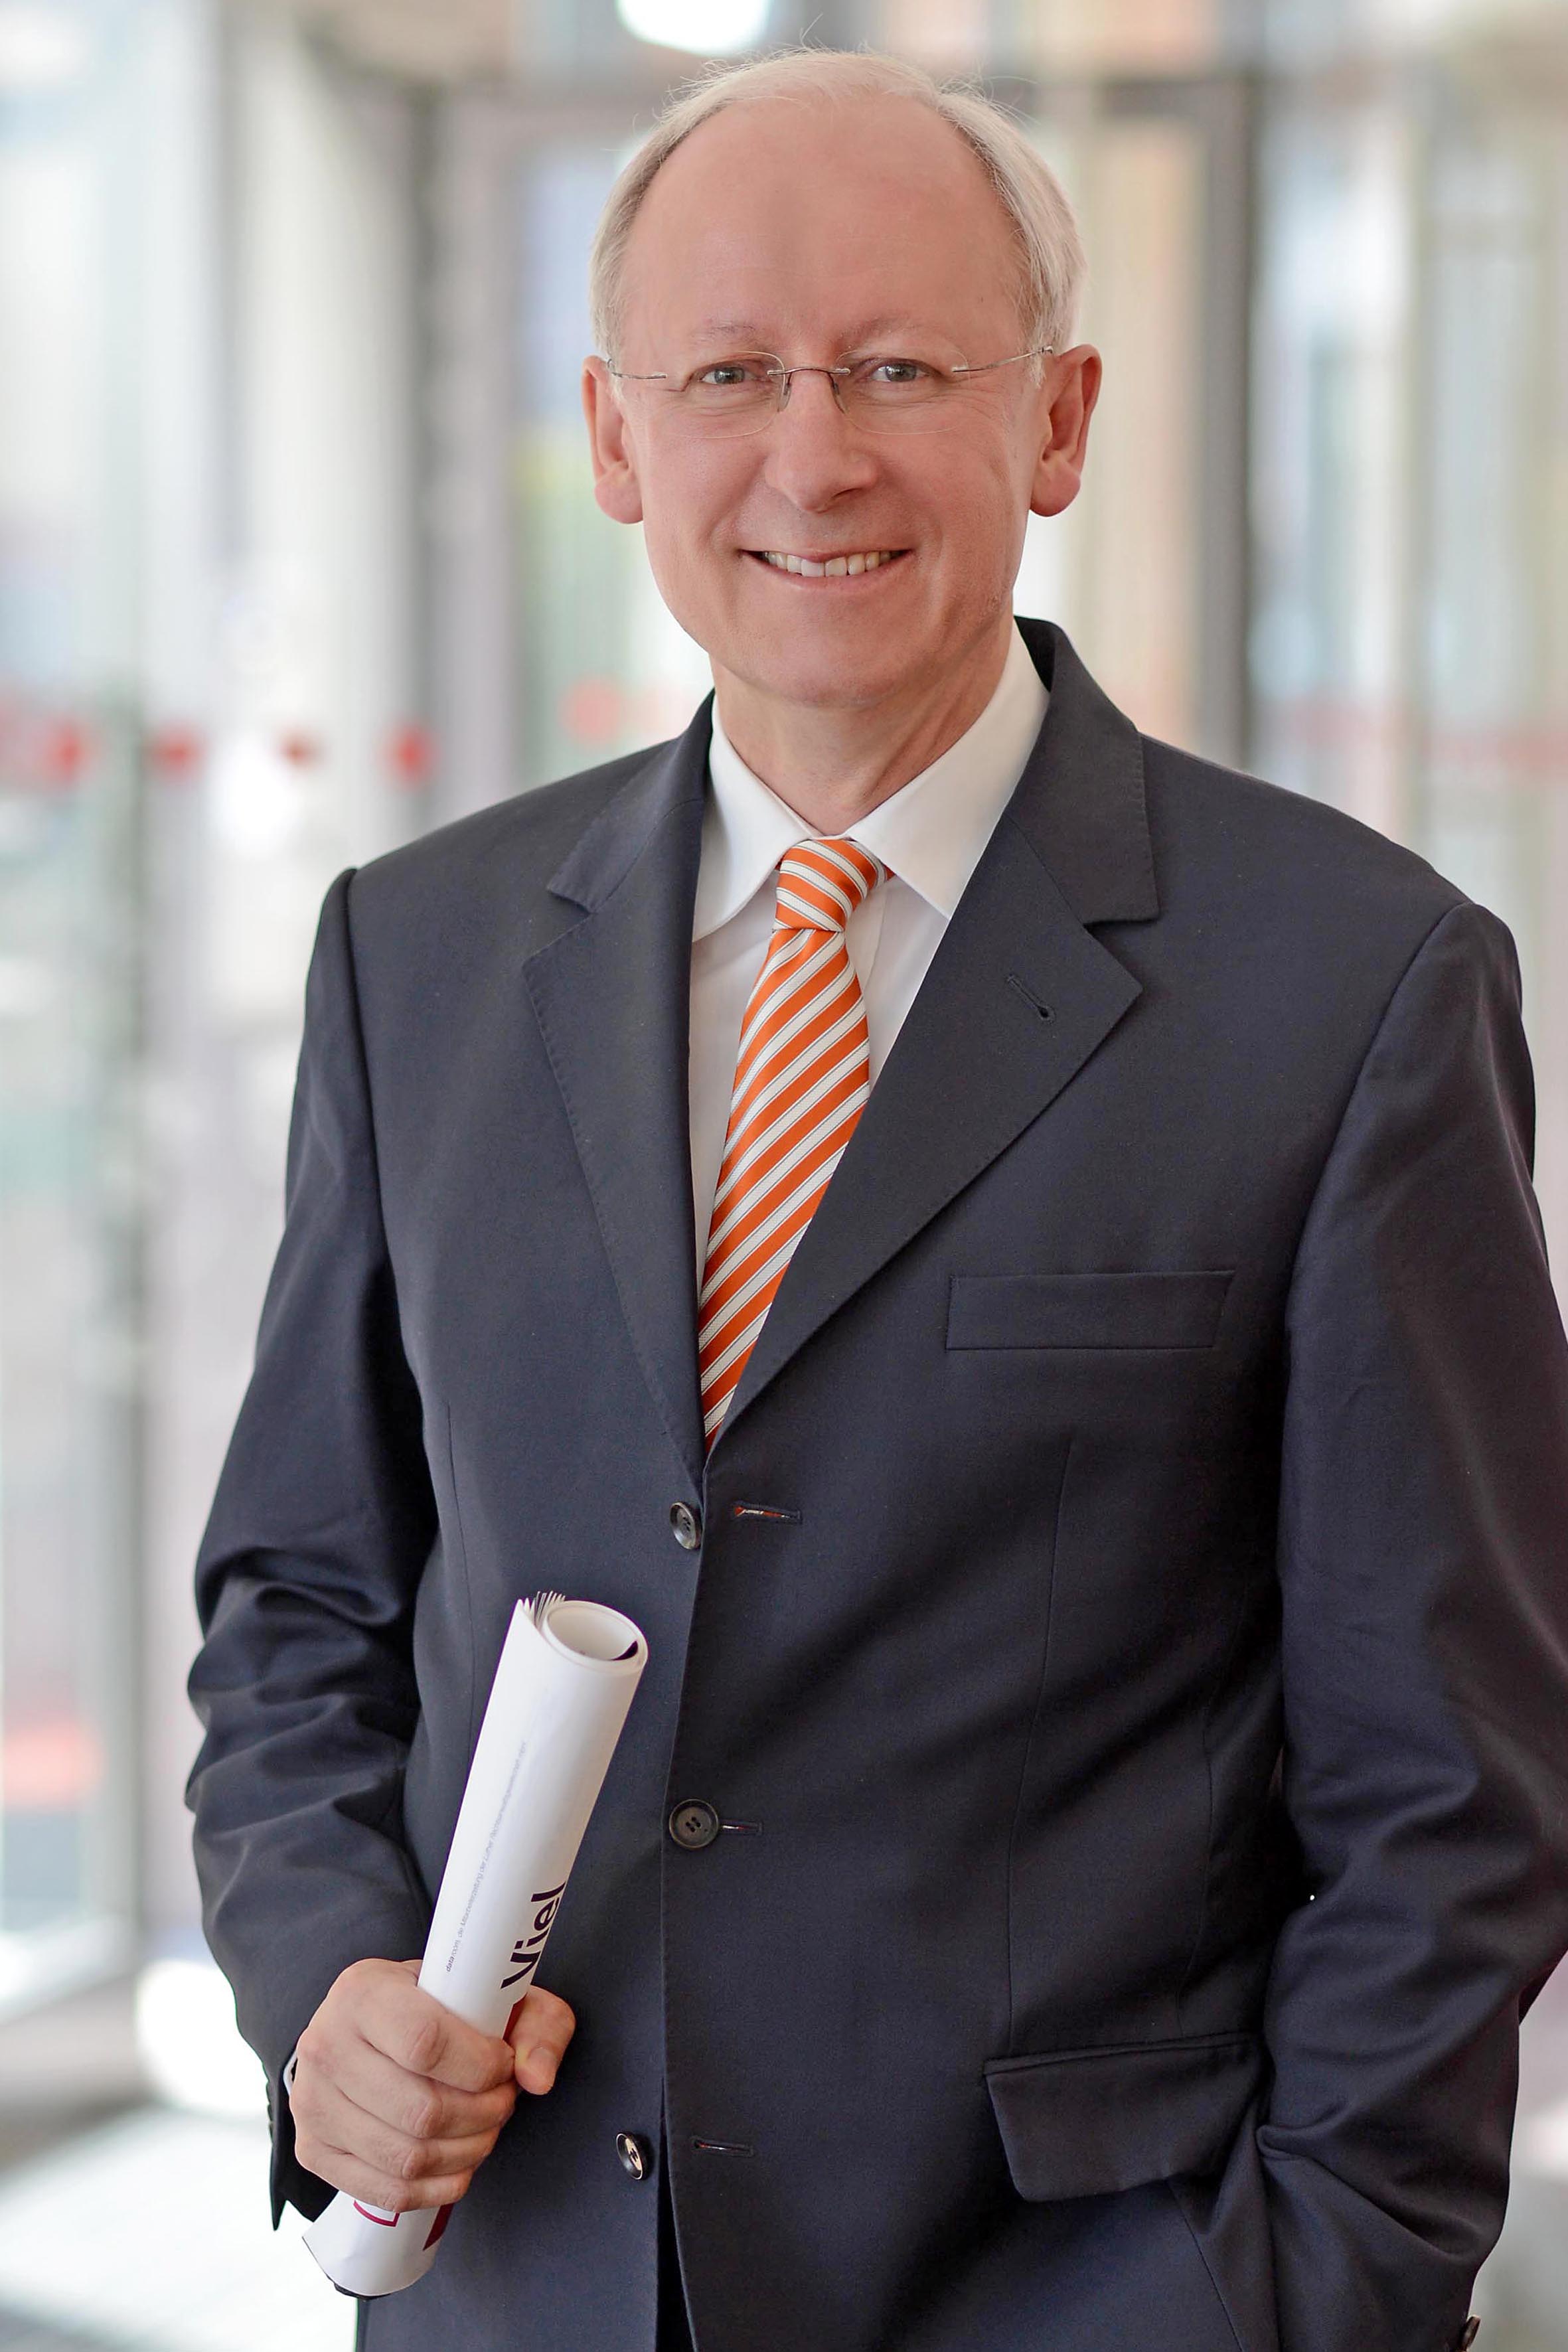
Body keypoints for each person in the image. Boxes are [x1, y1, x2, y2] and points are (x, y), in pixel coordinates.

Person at [187, 46, 1568, 2352]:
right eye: (727, 373)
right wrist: (325, 1979)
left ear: (1055, 419)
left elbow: (1453, 1780)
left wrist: (1313, 2292)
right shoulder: (411, 955)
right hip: (515, 2286)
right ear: (618, 437)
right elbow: (303, 1602)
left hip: (1093, 2292)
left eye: (899, 368)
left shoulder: (1353, 989)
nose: (809, 455)